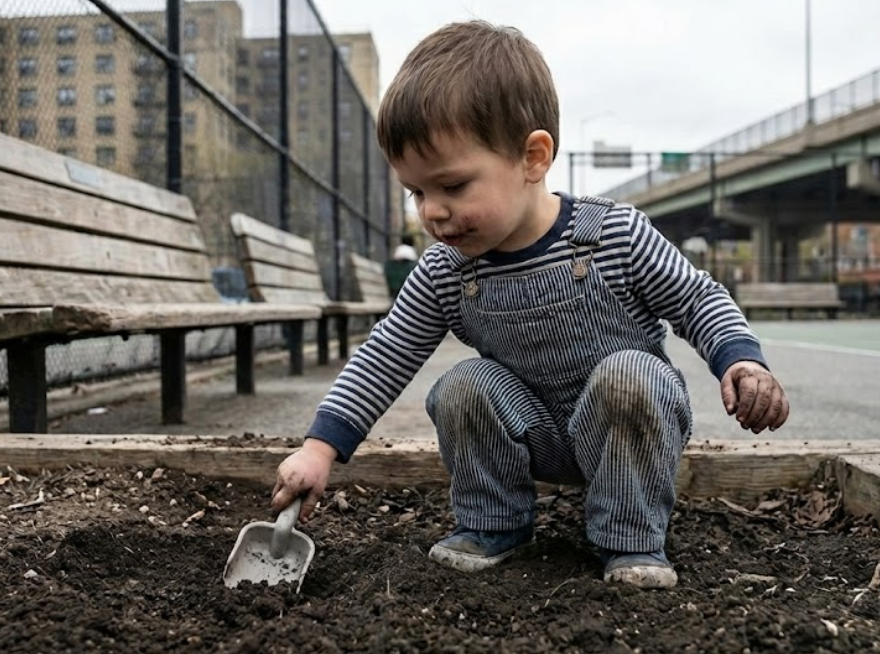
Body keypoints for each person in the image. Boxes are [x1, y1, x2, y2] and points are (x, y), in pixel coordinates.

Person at [270, 20, 788, 590]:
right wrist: (320, 449)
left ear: (533, 158)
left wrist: (741, 359)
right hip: (531, 430)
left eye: (453, 186)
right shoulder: (447, 269)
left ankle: (630, 536)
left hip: (626, 426)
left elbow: (696, 298)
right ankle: (494, 523)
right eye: (418, 193)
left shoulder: (610, 235)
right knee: (464, 386)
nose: (433, 212)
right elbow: (386, 353)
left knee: (629, 374)